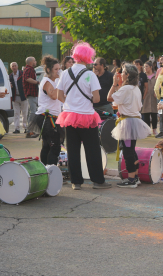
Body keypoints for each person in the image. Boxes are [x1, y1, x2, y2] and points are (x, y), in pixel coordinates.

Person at [56, 41, 111, 190]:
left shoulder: (65, 73)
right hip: (87, 116)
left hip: (69, 116)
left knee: (72, 150)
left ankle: (76, 182)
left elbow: (59, 95)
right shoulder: (90, 75)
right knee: (92, 149)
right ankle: (98, 181)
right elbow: (97, 99)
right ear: (88, 58)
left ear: (75, 56)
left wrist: (71, 102)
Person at [107, 63, 151, 187]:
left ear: (126, 75)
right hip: (134, 121)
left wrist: (114, 84)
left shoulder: (126, 89)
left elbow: (109, 98)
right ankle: (135, 177)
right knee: (131, 150)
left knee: (127, 151)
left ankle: (131, 179)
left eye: (123, 72)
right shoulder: (135, 88)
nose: (120, 74)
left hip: (127, 123)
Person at [28, 55, 63, 165]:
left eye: (59, 69)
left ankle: (46, 169)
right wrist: (61, 82)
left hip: (53, 116)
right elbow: (53, 95)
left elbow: (60, 97)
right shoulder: (47, 81)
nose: (58, 71)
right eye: (56, 69)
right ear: (48, 70)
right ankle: (50, 169)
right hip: (46, 117)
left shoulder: (55, 81)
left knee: (48, 145)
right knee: (55, 146)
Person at [23, 56, 40, 138]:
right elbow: (27, 78)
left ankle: (31, 130)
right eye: (34, 61)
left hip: (32, 94)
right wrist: (37, 82)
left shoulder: (28, 69)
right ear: (31, 62)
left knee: (33, 112)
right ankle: (29, 131)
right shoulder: (29, 69)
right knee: (33, 113)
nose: (36, 62)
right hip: (31, 94)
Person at [9, 62, 28, 134]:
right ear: (11, 68)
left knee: (24, 113)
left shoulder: (22, 74)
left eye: (15, 66)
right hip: (15, 97)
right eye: (12, 66)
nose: (14, 67)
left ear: (17, 66)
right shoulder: (10, 76)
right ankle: (17, 128)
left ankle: (25, 127)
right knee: (16, 113)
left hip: (23, 96)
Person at [141, 61, 158, 135]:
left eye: (147, 66)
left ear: (151, 67)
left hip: (154, 97)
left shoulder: (156, 76)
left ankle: (154, 129)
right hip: (146, 96)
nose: (145, 68)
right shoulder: (143, 76)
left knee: (154, 114)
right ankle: (147, 130)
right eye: (144, 67)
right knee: (146, 114)